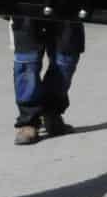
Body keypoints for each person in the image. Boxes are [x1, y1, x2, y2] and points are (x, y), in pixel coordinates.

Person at [11, 15, 83, 146]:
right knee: (27, 61)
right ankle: (29, 121)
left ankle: (51, 113)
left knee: (66, 59)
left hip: (68, 6)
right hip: (27, 8)